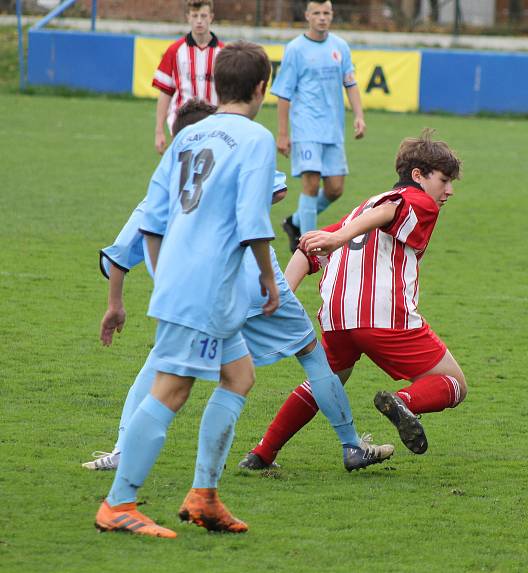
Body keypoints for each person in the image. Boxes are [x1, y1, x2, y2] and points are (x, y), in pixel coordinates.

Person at [84, 100, 392, 477]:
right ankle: (351, 445)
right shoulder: (237, 157)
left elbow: (118, 255)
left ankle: (124, 451)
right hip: (257, 282)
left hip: (200, 291)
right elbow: (275, 192)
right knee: (308, 357)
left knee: (164, 366)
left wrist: (115, 304)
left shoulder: (161, 189)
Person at [240, 129, 467, 470]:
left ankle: (262, 453)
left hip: (336, 316)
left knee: (327, 381)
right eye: (444, 180)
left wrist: (282, 293)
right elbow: (396, 208)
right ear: (418, 175)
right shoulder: (413, 199)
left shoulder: (365, 206)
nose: (449, 190)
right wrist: (343, 237)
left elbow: (307, 248)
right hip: (383, 315)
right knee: (454, 384)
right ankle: (403, 402)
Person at [271, 0, 366, 252]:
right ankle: (310, 249)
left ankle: (295, 222)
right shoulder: (295, 49)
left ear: (332, 15)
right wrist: (283, 134)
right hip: (306, 128)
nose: (322, 17)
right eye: (317, 13)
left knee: (335, 189)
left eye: (326, 13)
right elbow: (283, 94)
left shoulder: (340, 46)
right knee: (311, 185)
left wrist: (359, 115)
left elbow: (350, 83)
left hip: (333, 129)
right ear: (307, 16)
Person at [153, 0, 222, 154]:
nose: (199, 21)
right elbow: (165, 93)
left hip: (214, 126)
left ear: (211, 17)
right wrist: (159, 131)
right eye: (195, 15)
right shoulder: (174, 51)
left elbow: (229, 96)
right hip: (181, 124)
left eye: (203, 16)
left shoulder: (223, 53)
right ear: (188, 17)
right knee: (183, 173)